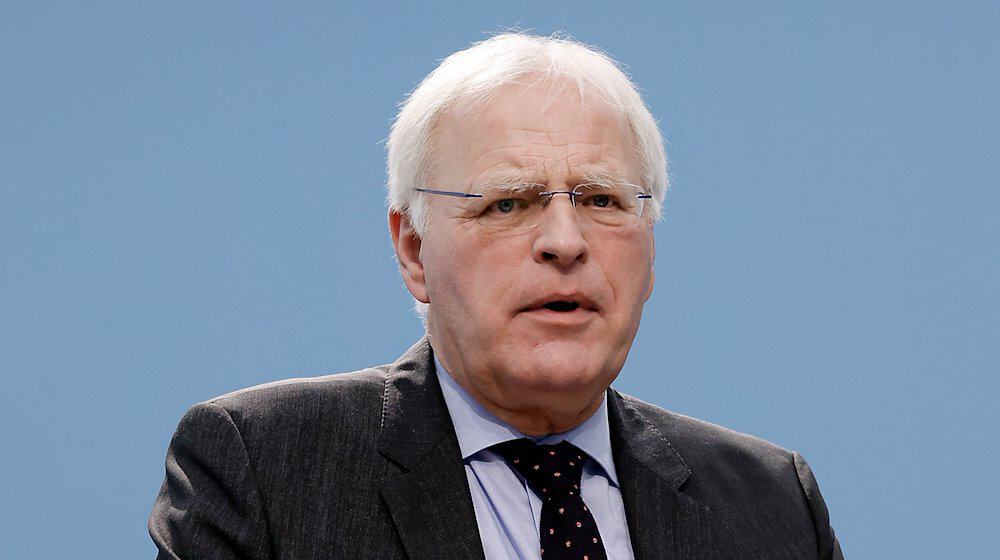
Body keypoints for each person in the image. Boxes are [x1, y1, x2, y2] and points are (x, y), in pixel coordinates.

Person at [149, 33, 844, 560]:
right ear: (413, 249)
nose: (565, 242)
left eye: (603, 199)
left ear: (651, 245)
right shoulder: (266, 469)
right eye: (509, 204)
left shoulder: (771, 504)